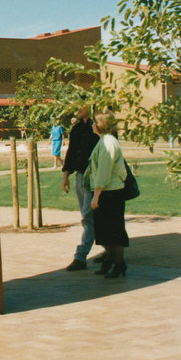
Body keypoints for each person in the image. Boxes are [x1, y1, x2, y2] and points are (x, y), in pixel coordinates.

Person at [85, 112, 129, 278]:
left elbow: (104, 171)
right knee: (106, 230)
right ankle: (109, 261)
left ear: (100, 124)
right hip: (106, 191)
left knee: (114, 230)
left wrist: (96, 196)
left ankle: (119, 263)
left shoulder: (108, 142)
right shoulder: (104, 140)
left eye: (94, 122)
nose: (92, 125)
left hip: (110, 192)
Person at [60, 105, 100, 271]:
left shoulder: (98, 127)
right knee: (87, 216)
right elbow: (71, 152)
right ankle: (109, 248)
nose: (78, 110)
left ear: (90, 106)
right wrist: (65, 177)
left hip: (94, 178)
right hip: (80, 176)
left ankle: (81, 256)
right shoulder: (77, 129)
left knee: (88, 215)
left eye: (81, 106)